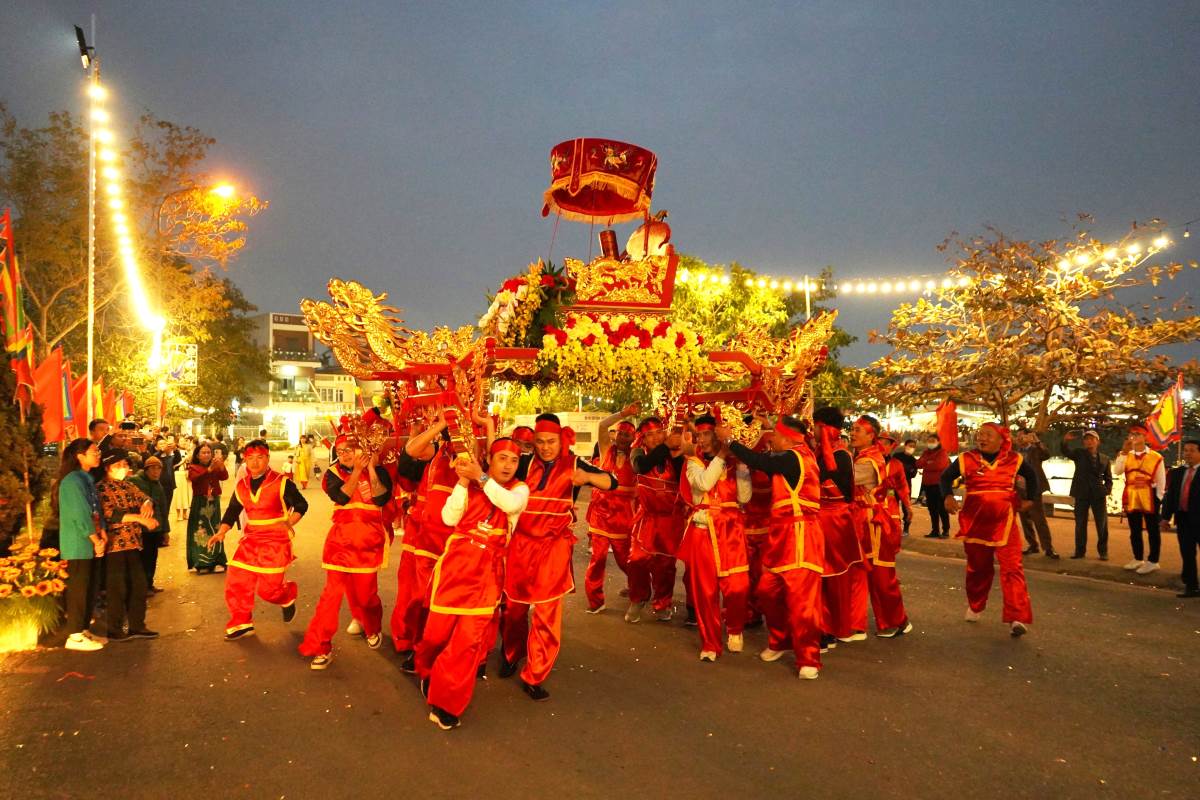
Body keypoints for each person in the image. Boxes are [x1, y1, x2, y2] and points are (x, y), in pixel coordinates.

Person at [501, 413, 617, 700]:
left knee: (547, 614)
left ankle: (535, 674)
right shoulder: (524, 463)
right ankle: (511, 653)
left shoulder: (575, 464)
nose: (545, 447)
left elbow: (611, 482)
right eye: (539, 442)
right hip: (520, 545)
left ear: (561, 439)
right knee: (513, 608)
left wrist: (588, 477)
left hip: (553, 548)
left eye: (551, 441)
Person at [416, 438, 529, 730]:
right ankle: (428, 672)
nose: (507, 465)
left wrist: (479, 476)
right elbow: (448, 516)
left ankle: (447, 703)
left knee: (467, 644)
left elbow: (509, 504)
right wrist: (464, 482)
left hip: (486, 576)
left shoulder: (519, 490)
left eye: (513, 460)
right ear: (489, 459)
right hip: (454, 570)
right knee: (435, 637)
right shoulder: (471, 483)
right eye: (501, 458)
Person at [729, 415, 826, 679]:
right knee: (766, 590)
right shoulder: (790, 457)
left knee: (802, 601)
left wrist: (731, 441)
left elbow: (760, 461)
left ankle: (809, 658)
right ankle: (780, 640)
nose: (771, 441)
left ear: (786, 438)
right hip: (780, 535)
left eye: (774, 437)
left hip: (801, 535)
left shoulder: (795, 457)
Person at [298, 437, 392, 669]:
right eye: (340, 451)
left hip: (369, 543)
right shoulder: (332, 474)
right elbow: (341, 496)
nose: (345, 455)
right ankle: (322, 646)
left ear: (362, 449)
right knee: (330, 598)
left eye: (350, 450)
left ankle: (371, 626)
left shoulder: (380, 471)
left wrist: (369, 468)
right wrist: (356, 471)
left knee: (366, 596)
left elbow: (381, 497)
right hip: (339, 543)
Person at [942, 423, 1038, 636]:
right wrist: (947, 496)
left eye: (987, 435)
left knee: (1013, 568)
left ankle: (1016, 616)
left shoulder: (1015, 459)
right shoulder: (967, 459)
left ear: (1001, 440)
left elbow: (1032, 477)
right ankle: (976, 605)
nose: (982, 438)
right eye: (980, 434)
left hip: (1006, 522)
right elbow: (945, 477)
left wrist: (1030, 499)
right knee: (978, 569)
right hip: (975, 523)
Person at [208, 439, 309, 640]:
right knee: (237, 579)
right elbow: (232, 511)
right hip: (251, 539)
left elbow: (301, 505)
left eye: (259, 458)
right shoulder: (242, 485)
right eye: (250, 458)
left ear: (268, 458)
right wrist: (222, 531)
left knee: (268, 590)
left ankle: (286, 595)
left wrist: (290, 521)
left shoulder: (281, 482)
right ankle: (241, 623)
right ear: (244, 460)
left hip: (276, 542)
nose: (254, 463)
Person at [677, 415, 751, 660]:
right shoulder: (693, 462)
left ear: (718, 436)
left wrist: (741, 464)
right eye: (699, 435)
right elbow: (704, 483)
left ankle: (735, 628)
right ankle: (710, 643)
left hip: (730, 531)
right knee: (705, 592)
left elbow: (745, 497)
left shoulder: (733, 463)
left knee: (738, 586)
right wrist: (722, 455)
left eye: (708, 434)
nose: (702, 439)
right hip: (702, 531)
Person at [850, 415, 912, 639]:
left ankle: (897, 621)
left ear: (871, 436)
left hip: (873, 523)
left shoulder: (869, 461)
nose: (853, 433)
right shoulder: (861, 456)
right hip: (861, 520)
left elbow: (844, 480)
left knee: (881, 576)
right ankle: (855, 625)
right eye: (852, 429)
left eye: (858, 430)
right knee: (857, 573)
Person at [626, 417, 687, 623]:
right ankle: (638, 598)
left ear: (665, 432)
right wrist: (666, 447)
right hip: (647, 518)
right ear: (643, 438)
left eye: (658, 433)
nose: (655, 438)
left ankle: (662, 603)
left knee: (665, 566)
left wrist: (675, 449)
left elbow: (683, 476)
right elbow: (640, 467)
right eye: (649, 435)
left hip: (671, 520)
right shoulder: (637, 452)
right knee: (636, 560)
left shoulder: (676, 454)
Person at [95, 449, 160, 641]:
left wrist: (147, 504)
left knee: (139, 585)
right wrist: (139, 519)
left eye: (125, 465)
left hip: (132, 542)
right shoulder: (101, 488)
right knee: (117, 588)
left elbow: (145, 497)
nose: (123, 468)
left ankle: (137, 625)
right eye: (118, 465)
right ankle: (114, 629)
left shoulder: (127, 485)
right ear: (107, 467)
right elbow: (110, 515)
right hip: (114, 545)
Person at [810, 406, 861, 650]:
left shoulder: (838, 456)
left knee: (823, 578)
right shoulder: (837, 452)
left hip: (831, 520)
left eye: (815, 426)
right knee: (830, 579)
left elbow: (818, 481)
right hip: (835, 520)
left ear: (823, 427)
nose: (812, 431)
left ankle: (825, 629)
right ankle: (830, 628)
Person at [583, 404, 640, 613]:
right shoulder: (606, 448)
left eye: (628, 435)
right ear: (615, 435)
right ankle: (595, 601)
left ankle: (638, 590)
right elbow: (602, 424)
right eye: (621, 433)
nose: (624, 438)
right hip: (601, 511)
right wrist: (623, 414)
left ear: (634, 438)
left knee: (625, 559)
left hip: (623, 515)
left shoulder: (636, 456)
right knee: (597, 558)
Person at [57, 439, 107, 651]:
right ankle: (74, 635)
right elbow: (80, 514)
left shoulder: (86, 478)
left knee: (90, 587)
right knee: (79, 588)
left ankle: (84, 628)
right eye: (94, 451)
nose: (98, 454)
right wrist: (95, 539)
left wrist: (102, 533)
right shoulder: (71, 481)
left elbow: (96, 510)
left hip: (92, 541)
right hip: (79, 543)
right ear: (79, 455)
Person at [1113, 425, 1167, 574]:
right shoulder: (1126, 454)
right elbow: (1117, 471)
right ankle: (1138, 558)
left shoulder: (1156, 457)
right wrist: (1123, 452)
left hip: (1149, 495)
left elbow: (1161, 480)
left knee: (1152, 530)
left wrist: (1158, 498)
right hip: (1131, 496)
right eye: (1132, 434)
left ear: (1145, 437)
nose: (1134, 437)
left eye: (1138, 434)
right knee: (1134, 529)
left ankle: (1153, 561)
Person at [1061, 430, 1113, 560]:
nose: (1089, 441)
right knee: (1080, 524)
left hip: (1098, 494)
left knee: (1101, 524)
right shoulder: (1079, 454)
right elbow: (1066, 452)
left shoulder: (1105, 459)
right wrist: (1065, 440)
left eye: (1092, 439)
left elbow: (1109, 478)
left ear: (1098, 442)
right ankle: (1080, 551)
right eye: (1086, 439)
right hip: (1081, 493)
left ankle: (1103, 551)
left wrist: (1106, 490)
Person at [1161, 439, 1200, 598]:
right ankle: (1192, 587)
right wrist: (1165, 518)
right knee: (1187, 553)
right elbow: (1170, 498)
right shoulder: (1177, 473)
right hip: (1183, 519)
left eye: (1192, 450)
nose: (1188, 454)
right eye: (1186, 450)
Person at [129, 456, 171, 593]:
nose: (156, 472)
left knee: (152, 557)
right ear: (146, 469)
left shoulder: (157, 484)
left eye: (159, 468)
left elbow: (164, 508)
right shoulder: (134, 481)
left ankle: (149, 584)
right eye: (153, 468)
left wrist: (165, 530)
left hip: (155, 528)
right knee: (142, 559)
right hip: (140, 528)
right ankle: (142, 587)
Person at [1015, 428, 1058, 559]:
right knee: (1024, 520)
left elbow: (1046, 454)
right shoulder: (1016, 452)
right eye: (1018, 437)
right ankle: (1033, 545)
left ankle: (1048, 548)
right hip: (1019, 489)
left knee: (1039, 519)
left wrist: (1037, 441)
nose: (1020, 439)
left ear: (1029, 437)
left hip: (1033, 490)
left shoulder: (1034, 450)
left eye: (1023, 436)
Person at [186, 443, 229, 573]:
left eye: (208, 452)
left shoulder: (215, 466)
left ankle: (217, 561)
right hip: (200, 502)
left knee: (215, 528)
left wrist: (221, 466)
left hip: (213, 502)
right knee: (200, 531)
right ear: (198, 456)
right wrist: (209, 469)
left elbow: (224, 477)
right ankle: (202, 563)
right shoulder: (193, 467)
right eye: (203, 453)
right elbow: (194, 478)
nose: (206, 455)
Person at [916, 435, 951, 538]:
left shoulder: (942, 452)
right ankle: (935, 530)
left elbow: (939, 465)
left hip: (939, 485)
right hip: (928, 484)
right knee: (932, 509)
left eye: (933, 441)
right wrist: (929, 462)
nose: (930, 443)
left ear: (938, 442)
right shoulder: (926, 452)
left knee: (941, 508)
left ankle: (946, 531)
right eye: (929, 440)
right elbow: (918, 464)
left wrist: (926, 462)